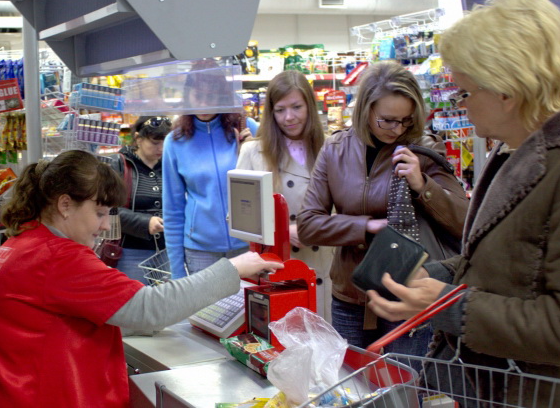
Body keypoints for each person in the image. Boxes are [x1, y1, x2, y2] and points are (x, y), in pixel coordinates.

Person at [366, 0, 560, 406]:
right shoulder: (513, 151)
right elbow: (500, 265)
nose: (460, 106)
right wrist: (436, 277)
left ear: (506, 91)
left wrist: (449, 305)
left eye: (464, 92)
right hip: (484, 388)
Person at [0, 150, 283, 407]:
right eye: (100, 212)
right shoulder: (56, 257)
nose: (106, 225)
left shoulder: (23, 245)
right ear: (65, 205)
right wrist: (234, 269)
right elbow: (147, 308)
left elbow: (108, 312)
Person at [297, 61, 468, 357]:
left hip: (407, 295)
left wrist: (421, 184)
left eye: (405, 120)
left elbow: (463, 222)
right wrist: (366, 227)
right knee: (352, 391)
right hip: (350, 297)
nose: (397, 129)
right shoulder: (336, 150)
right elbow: (309, 225)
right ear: (366, 110)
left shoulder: (424, 150)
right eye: (387, 120)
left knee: (401, 394)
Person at [237, 70, 334, 322]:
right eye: (280, 110)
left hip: (325, 269)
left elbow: (350, 208)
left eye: (296, 107)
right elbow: (236, 218)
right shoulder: (253, 152)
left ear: (310, 107)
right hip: (279, 271)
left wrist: (320, 227)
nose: (289, 117)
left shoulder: (333, 147)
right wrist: (281, 231)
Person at [163, 59, 257, 279]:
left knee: (251, 312)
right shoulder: (175, 141)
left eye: (211, 96)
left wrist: (255, 149)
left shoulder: (247, 128)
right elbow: (173, 210)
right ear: (187, 95)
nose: (203, 104)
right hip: (200, 252)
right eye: (197, 95)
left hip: (248, 245)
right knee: (206, 314)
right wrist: (177, 271)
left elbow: (272, 181)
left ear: (223, 96)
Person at [109, 116, 171, 284]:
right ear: (138, 138)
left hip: (166, 252)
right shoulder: (120, 165)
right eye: (155, 142)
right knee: (136, 302)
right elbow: (108, 209)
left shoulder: (168, 165)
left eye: (165, 142)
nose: (161, 148)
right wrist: (145, 223)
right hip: (131, 252)